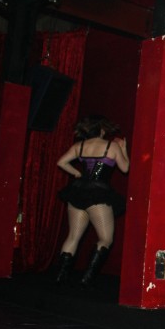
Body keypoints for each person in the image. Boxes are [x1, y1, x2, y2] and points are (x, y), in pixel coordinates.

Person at [54, 115, 130, 286]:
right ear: (102, 130)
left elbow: (61, 162)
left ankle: (61, 277)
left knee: (73, 236)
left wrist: (77, 173)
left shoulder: (79, 146)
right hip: (98, 194)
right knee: (105, 239)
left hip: (78, 192)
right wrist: (123, 149)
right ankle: (87, 278)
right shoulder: (111, 146)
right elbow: (125, 168)